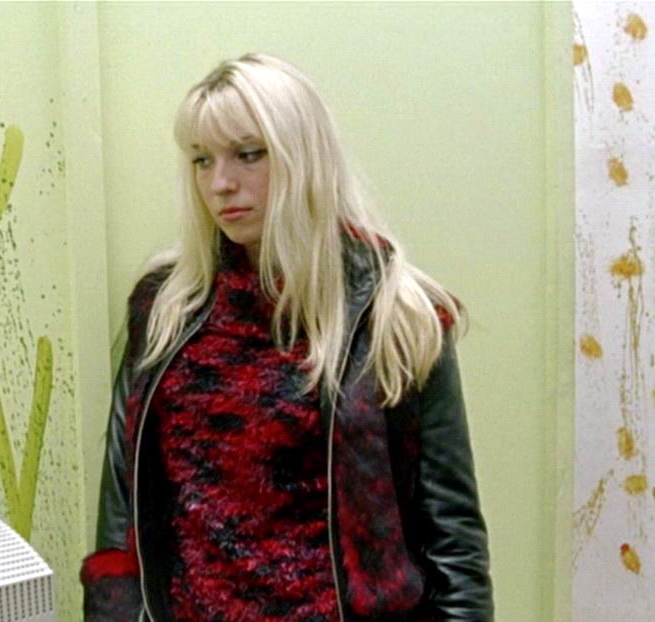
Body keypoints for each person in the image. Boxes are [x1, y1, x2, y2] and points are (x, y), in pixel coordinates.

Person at [80, 53, 492, 622]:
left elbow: (453, 541)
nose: (220, 184)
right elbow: (120, 516)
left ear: (304, 156)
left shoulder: (395, 313)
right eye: (202, 160)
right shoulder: (165, 308)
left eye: (249, 154)